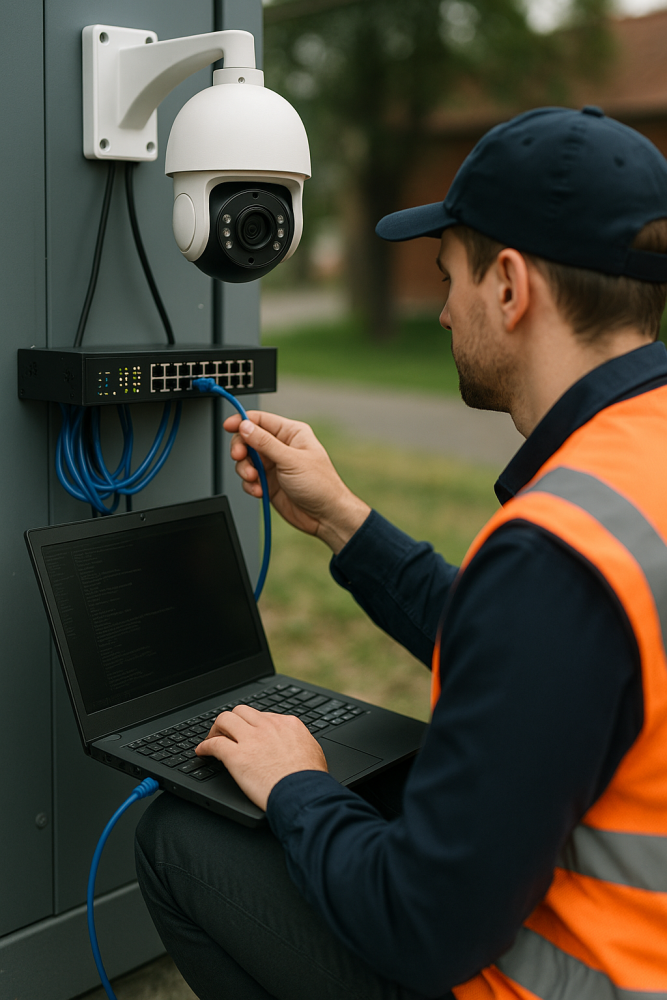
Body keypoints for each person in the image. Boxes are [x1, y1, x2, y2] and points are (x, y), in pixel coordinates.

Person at [135, 106, 667, 1000]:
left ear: (510, 286)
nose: (444, 312)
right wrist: (343, 520)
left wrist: (296, 786)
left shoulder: (555, 554)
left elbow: (422, 929)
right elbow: (537, 658)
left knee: (177, 840)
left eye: (448, 277)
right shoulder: (633, 470)